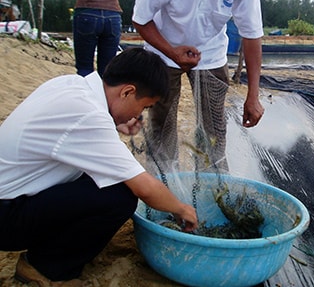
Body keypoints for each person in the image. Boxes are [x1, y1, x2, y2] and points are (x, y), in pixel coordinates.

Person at [0, 48, 198, 286]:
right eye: (144, 107)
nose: (139, 114)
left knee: (104, 175)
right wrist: (181, 209)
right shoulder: (89, 115)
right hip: (6, 219)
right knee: (120, 197)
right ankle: (44, 267)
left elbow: (73, 133)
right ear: (127, 91)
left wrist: (113, 123)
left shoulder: (72, 85)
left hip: (10, 197)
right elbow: (144, 187)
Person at [132, 0, 265, 171]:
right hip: (163, 50)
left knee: (214, 126)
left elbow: (251, 34)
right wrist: (171, 51)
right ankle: (164, 183)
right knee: (162, 120)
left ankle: (212, 183)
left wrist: (253, 95)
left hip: (212, 54)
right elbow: (141, 19)